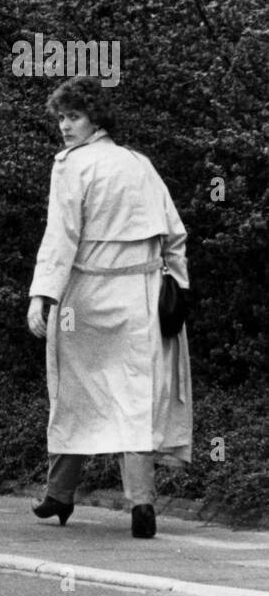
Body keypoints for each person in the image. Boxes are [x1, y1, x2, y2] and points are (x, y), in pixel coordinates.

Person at [27, 76, 192, 538]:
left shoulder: (70, 166)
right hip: (140, 298)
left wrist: (43, 294)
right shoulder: (140, 164)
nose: (64, 126)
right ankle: (142, 504)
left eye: (73, 116)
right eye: (61, 117)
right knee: (133, 400)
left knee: (75, 394)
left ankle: (60, 495)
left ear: (95, 119)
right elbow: (175, 235)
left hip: (87, 298)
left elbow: (60, 237)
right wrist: (177, 288)